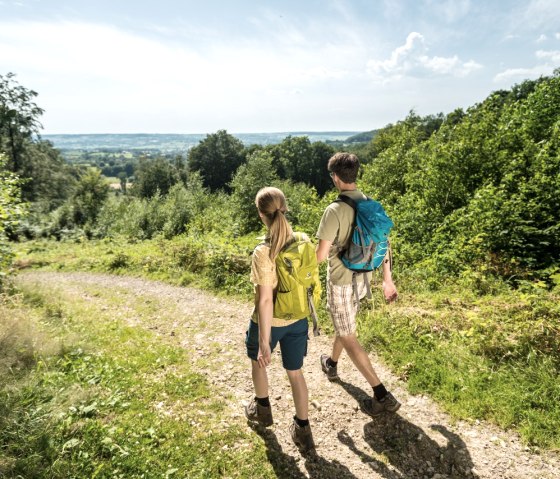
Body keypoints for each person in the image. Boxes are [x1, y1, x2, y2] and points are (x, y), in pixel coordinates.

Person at [316, 152, 401, 416]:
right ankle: (331, 362)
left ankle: (381, 394)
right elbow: (384, 245)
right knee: (346, 324)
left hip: (341, 281)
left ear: (335, 178)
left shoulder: (334, 210)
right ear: (355, 175)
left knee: (347, 334)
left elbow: (320, 256)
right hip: (363, 278)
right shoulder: (372, 204)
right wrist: (388, 280)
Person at [244, 186, 316, 452]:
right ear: (285, 208)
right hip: (298, 318)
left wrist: (264, 341)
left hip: (270, 322)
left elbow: (264, 300)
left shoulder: (263, 251)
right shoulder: (303, 240)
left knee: (259, 362)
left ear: (260, 214)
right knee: (296, 374)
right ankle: (303, 429)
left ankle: (262, 410)